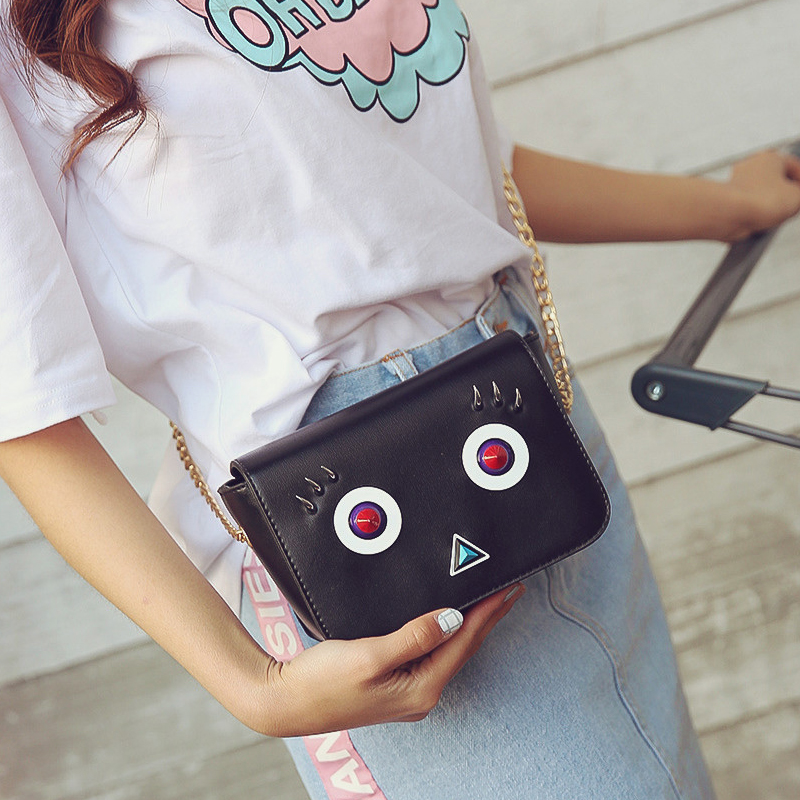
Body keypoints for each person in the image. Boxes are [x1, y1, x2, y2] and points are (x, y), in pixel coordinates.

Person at [1, 1, 799, 797]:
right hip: (354, 523)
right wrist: (256, 689)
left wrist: (726, 208)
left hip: (529, 420)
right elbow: (25, 413)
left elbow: (442, 176)